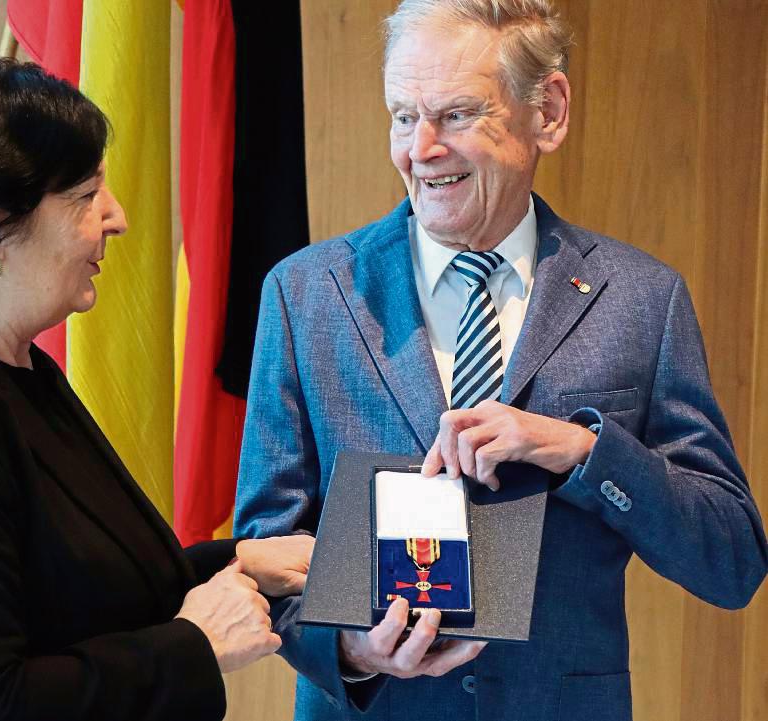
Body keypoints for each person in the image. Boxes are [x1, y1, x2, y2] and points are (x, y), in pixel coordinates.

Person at [233, 1, 768, 720]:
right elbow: (265, 550)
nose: (418, 149)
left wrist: (581, 449)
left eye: (454, 115)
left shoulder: (641, 299)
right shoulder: (306, 294)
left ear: (546, 110)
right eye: (401, 116)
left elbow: (729, 558)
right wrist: (352, 650)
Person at [0, 55, 314, 721]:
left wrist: (235, 562)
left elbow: (73, 591)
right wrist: (194, 644)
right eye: (85, 196)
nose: (117, 217)